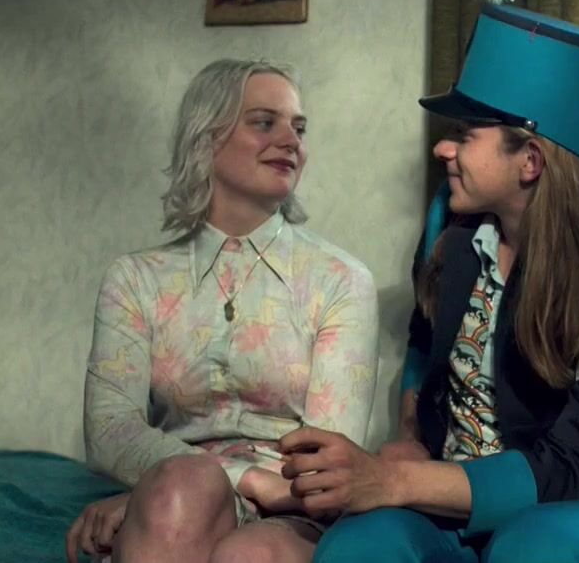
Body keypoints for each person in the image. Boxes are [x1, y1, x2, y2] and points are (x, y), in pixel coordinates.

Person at [275, 3, 579, 563]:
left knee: (533, 550)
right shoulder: (453, 228)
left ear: (530, 161)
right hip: (450, 492)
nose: (442, 149)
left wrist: (391, 481)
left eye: (464, 134)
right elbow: (425, 340)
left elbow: (578, 464)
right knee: (357, 547)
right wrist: (410, 435)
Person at [65, 59, 380, 563]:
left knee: (245, 554)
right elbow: (109, 433)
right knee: (181, 492)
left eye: (298, 129)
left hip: (293, 505)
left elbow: (325, 461)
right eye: (264, 122)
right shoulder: (135, 279)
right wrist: (233, 479)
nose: (290, 141)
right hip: (178, 495)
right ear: (206, 138)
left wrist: (214, 489)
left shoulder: (340, 280)